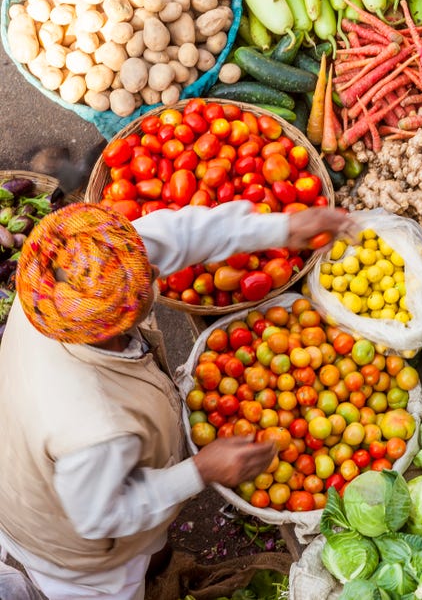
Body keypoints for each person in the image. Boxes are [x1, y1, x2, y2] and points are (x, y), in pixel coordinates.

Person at [0, 200, 357, 600]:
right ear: (118, 325)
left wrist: (283, 228)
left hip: (37, 456)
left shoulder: (62, 290)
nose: (155, 271)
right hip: (69, 546)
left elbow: (173, 234)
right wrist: (201, 471)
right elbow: (102, 517)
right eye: (148, 277)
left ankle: (159, 566)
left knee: (146, 549)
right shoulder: (94, 422)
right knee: (119, 587)